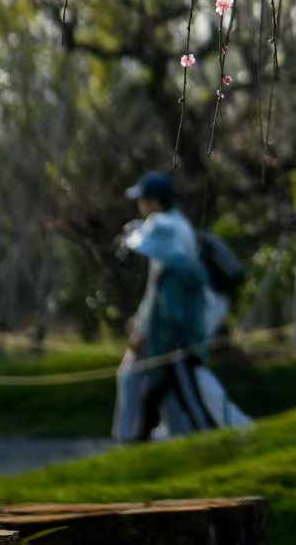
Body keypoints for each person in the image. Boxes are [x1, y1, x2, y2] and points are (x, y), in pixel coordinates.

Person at [113, 171, 221, 440]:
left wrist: (143, 328)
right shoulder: (177, 227)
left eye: (142, 199)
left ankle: (130, 440)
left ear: (153, 201)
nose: (139, 205)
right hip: (168, 329)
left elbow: (163, 294)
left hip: (169, 332)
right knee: (161, 389)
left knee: (137, 380)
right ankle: (160, 437)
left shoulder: (165, 229)